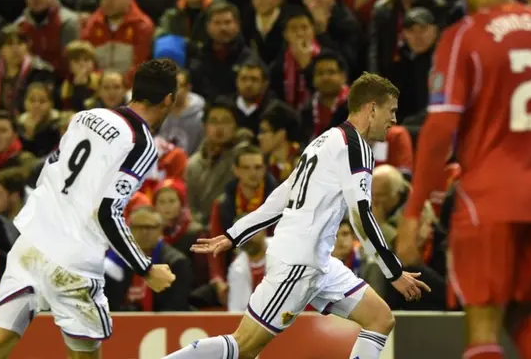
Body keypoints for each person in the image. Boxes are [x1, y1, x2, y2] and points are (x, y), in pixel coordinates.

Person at [163, 72, 430, 359]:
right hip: (299, 263)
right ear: (372, 108)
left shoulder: (324, 140)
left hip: (320, 262)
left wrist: (235, 234)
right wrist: (394, 272)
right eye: (391, 111)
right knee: (244, 347)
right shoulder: (357, 148)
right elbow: (361, 216)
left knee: (380, 319)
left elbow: (282, 196)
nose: (394, 120)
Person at [396, 0, 531, 357]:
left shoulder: (465, 36)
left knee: (483, 327)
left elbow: (440, 128)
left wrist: (413, 211)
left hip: (486, 202)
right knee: (522, 318)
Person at [0, 59, 179, 359]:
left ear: (133, 90)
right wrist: (146, 268)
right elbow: (108, 212)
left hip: (32, 242)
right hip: (73, 260)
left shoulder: (86, 117)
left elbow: (51, 166)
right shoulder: (141, 144)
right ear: (169, 99)